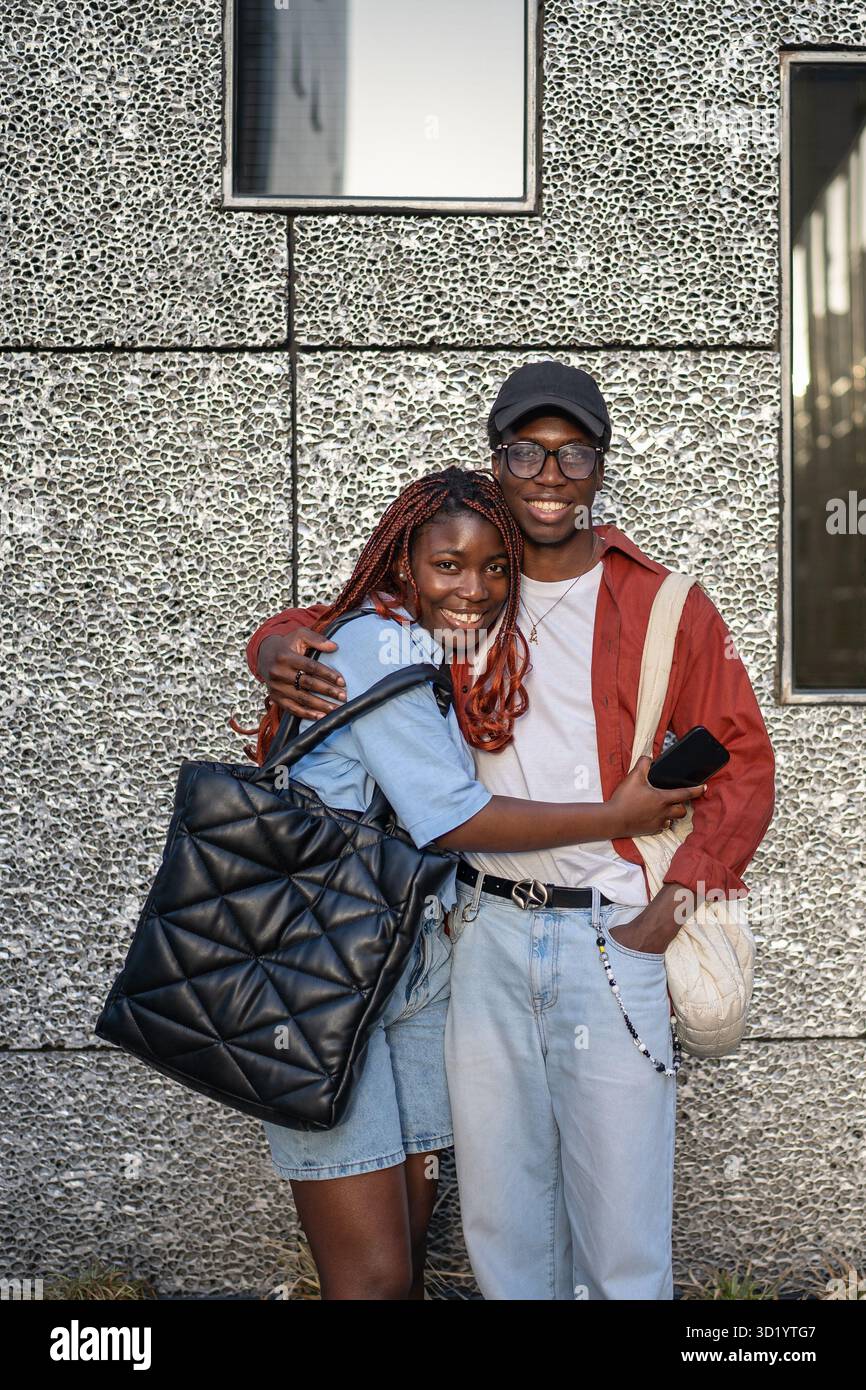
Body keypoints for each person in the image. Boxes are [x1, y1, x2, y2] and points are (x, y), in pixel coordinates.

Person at [246, 361, 776, 1300]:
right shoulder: (463, 587)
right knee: (504, 1226)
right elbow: (350, 624)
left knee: (621, 1238)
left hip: (608, 937)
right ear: (497, 464)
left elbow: (744, 762)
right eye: (526, 451)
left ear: (600, 467)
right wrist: (275, 642)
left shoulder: (663, 605)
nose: (549, 473)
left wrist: (668, 911)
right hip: (474, 935)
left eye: (574, 454)